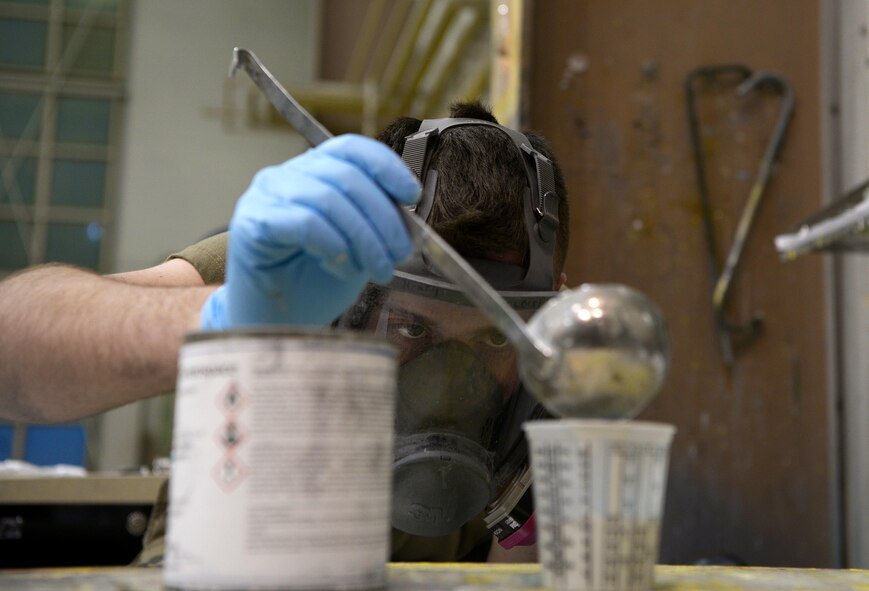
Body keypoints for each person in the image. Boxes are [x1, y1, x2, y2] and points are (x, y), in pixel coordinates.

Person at [0, 101, 569, 563]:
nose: (445, 386)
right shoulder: (311, 275)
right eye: (409, 325)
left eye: (493, 338)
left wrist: (554, 458)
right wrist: (236, 316)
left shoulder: (555, 367)